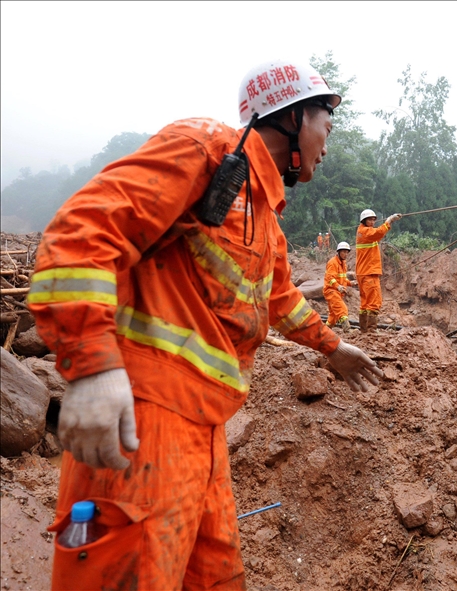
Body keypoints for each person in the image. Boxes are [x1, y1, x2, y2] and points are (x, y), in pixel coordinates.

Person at [27, 59, 383, 591]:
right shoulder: (205, 151)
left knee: (214, 579)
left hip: (206, 431)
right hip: (145, 422)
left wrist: (333, 347)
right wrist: (92, 367)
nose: (326, 144)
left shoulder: (264, 217)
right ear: (291, 117)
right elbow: (82, 232)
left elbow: (280, 299)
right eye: (325, 126)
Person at [356, 208, 401, 332]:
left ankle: (364, 330)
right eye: (370, 220)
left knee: (365, 303)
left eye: (373, 220)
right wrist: (389, 221)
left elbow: (377, 234)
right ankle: (371, 331)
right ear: (364, 220)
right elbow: (379, 232)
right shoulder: (366, 232)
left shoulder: (362, 231)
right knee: (374, 302)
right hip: (369, 272)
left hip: (362, 272)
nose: (372, 222)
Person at [324, 241, 355, 330]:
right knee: (342, 309)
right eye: (344, 252)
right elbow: (330, 278)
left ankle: (325, 331)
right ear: (339, 252)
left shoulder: (343, 264)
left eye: (347, 252)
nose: (346, 254)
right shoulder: (332, 262)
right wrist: (337, 286)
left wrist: (350, 283)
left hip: (337, 292)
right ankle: (347, 329)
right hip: (331, 291)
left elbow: (342, 278)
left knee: (333, 316)